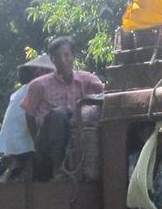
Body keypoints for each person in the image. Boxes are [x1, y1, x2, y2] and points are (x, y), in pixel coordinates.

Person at [21, 37, 104, 181]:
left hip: (77, 136)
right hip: (47, 141)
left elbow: (105, 97)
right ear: (52, 60)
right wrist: (37, 142)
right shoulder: (38, 85)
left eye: (66, 55)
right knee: (60, 113)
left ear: (73, 56)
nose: (63, 60)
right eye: (58, 56)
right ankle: (58, 170)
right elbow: (29, 116)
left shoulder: (88, 79)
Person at [0, 54, 56, 181]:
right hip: (23, 152)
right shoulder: (37, 90)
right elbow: (35, 121)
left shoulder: (19, 92)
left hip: (9, 151)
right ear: (42, 72)